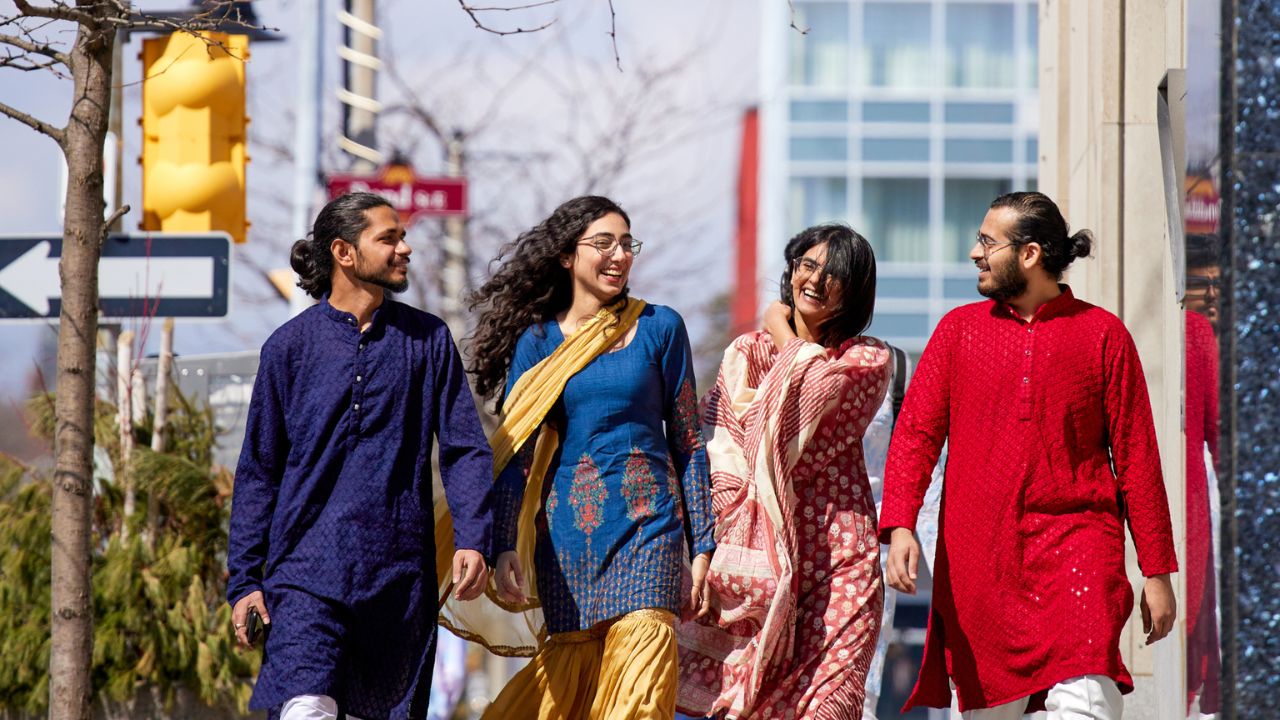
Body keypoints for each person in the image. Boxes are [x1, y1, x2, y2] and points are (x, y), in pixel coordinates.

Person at [880, 191, 1179, 719]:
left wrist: (1157, 571)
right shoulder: (958, 331)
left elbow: (1137, 460)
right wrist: (901, 523)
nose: (975, 253)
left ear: (1030, 254)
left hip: (1079, 551)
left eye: (987, 242)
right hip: (979, 566)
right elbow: (916, 436)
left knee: (1087, 704)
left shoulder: (1104, 335)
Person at [226, 192, 494, 720]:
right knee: (306, 707)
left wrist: (474, 537)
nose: (405, 248)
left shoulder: (428, 341)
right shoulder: (288, 347)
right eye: (389, 238)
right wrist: (245, 581)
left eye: (402, 237)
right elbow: (259, 471)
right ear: (344, 253)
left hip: (397, 580)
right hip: (303, 572)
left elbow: (464, 448)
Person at [449, 195, 716, 719]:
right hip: (570, 538)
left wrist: (704, 542)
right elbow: (517, 453)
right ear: (568, 256)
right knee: (569, 701)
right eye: (603, 243)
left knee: (639, 691)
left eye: (626, 243)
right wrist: (503, 543)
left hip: (651, 529)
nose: (619, 255)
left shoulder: (661, 328)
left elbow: (688, 441)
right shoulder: (539, 342)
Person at [676, 224, 891, 719]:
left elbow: (811, 397)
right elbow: (731, 450)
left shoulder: (866, 358)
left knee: (830, 708)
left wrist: (783, 333)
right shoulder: (746, 353)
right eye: (807, 265)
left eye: (833, 273)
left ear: (854, 289)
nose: (814, 279)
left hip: (839, 565)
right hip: (761, 569)